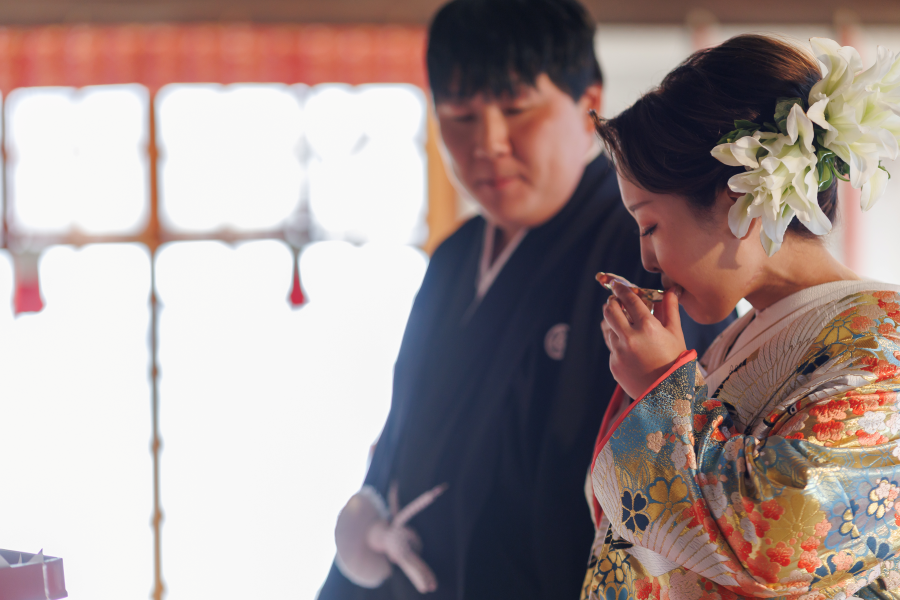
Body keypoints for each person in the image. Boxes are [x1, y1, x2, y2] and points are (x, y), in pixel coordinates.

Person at [317, 1, 732, 599]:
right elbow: (405, 429)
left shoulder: (642, 246)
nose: (488, 143)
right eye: (459, 115)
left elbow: (687, 461)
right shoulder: (456, 256)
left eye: (516, 109)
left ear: (589, 100)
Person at [582, 34, 900, 599]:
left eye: (650, 225)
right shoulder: (738, 339)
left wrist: (661, 389)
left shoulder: (887, 342)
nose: (645, 258)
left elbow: (782, 539)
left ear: (739, 202)